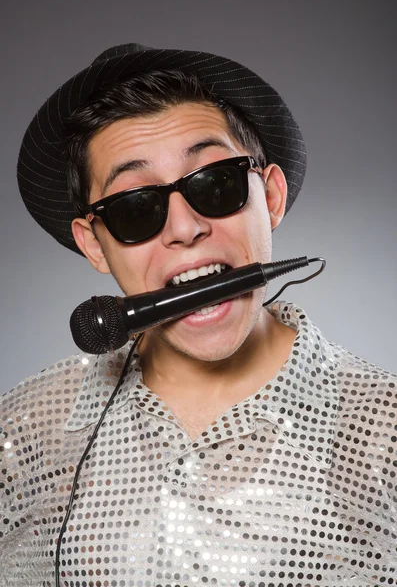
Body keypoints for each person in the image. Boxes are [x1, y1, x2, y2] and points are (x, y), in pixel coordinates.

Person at [0, 43, 396, 586]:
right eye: (134, 207)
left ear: (271, 196)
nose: (185, 228)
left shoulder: (384, 431)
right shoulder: (23, 433)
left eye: (216, 182)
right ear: (94, 245)